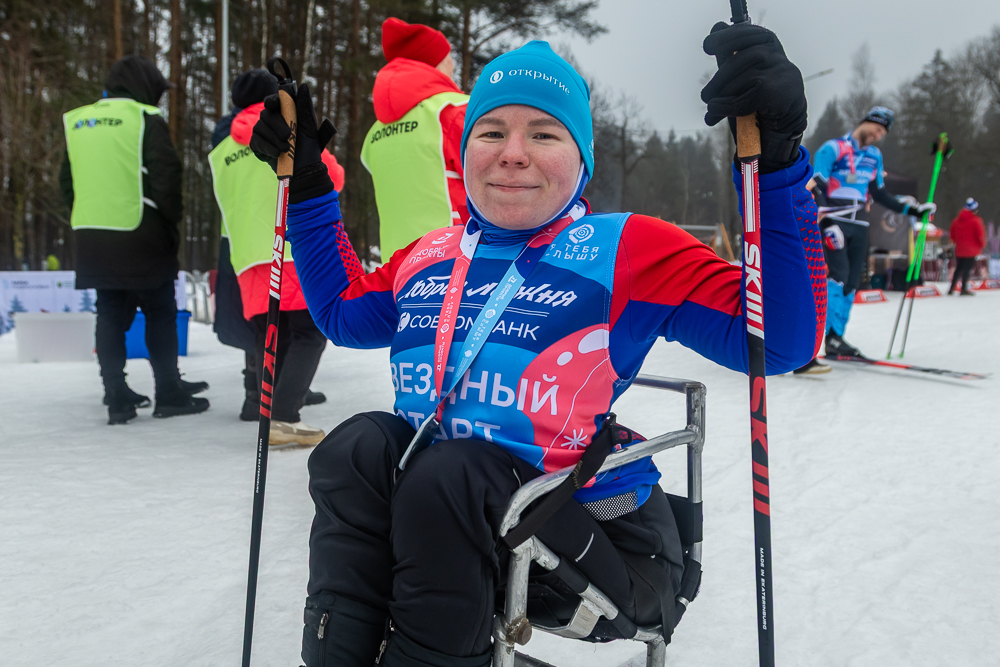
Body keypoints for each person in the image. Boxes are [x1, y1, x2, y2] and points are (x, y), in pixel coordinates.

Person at [251, 23, 824, 667]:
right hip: (443, 532)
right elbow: (341, 313)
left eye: (544, 134)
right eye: (491, 132)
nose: (512, 152)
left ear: (581, 158)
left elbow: (781, 341)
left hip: (594, 541)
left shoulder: (626, 248)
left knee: (452, 473)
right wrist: (305, 189)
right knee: (357, 446)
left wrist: (776, 163)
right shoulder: (430, 256)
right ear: (465, 151)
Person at [60, 55, 209, 425]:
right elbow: (166, 176)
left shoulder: (78, 121)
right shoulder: (144, 118)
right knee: (160, 311)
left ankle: (116, 396)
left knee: (109, 312)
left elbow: (67, 180)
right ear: (145, 87)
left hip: (92, 234)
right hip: (142, 231)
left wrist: (91, 215)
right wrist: (170, 221)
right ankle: (169, 391)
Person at [209, 68, 345, 445]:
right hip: (290, 244)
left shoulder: (221, 148)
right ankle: (284, 417)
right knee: (310, 331)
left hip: (248, 254)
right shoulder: (285, 127)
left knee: (270, 334)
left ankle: (266, 411)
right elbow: (329, 177)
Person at [799, 106, 937, 372]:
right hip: (833, 221)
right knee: (837, 277)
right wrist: (825, 217)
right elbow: (818, 184)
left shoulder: (874, 156)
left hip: (860, 224)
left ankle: (835, 338)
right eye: (876, 129)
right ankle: (818, 339)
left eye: (882, 133)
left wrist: (914, 209)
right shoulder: (834, 148)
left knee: (852, 282)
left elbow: (880, 194)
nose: (877, 136)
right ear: (866, 122)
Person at [361, 17, 469, 261]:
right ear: (437, 63)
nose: (453, 65)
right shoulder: (455, 111)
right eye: (449, 57)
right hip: (458, 263)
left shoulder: (375, 132)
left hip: (396, 271)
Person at [947, 198, 986, 296]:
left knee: (958, 268)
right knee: (967, 269)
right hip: (971, 250)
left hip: (959, 249)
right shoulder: (976, 220)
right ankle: (963, 289)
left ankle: (951, 288)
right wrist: (982, 245)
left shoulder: (956, 221)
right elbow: (980, 235)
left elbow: (952, 235)